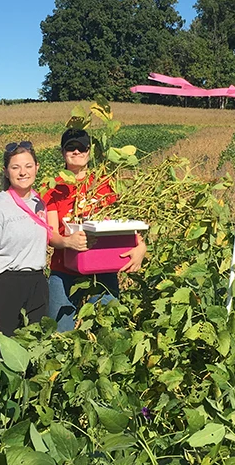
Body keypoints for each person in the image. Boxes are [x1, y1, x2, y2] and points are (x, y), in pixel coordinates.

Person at [43, 128, 146, 332]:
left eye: (82, 147)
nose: (77, 152)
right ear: (62, 152)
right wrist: (67, 242)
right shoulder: (53, 187)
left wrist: (140, 247)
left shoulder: (105, 184)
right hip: (64, 269)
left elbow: (123, 222)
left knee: (107, 329)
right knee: (59, 332)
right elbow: (51, 233)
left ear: (89, 151)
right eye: (71, 147)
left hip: (103, 266)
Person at [0, 141, 50, 358]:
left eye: (28, 166)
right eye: (16, 167)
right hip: (6, 285)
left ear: (37, 167)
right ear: (6, 172)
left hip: (37, 282)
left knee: (35, 348)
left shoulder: (40, 201)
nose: (22, 172)